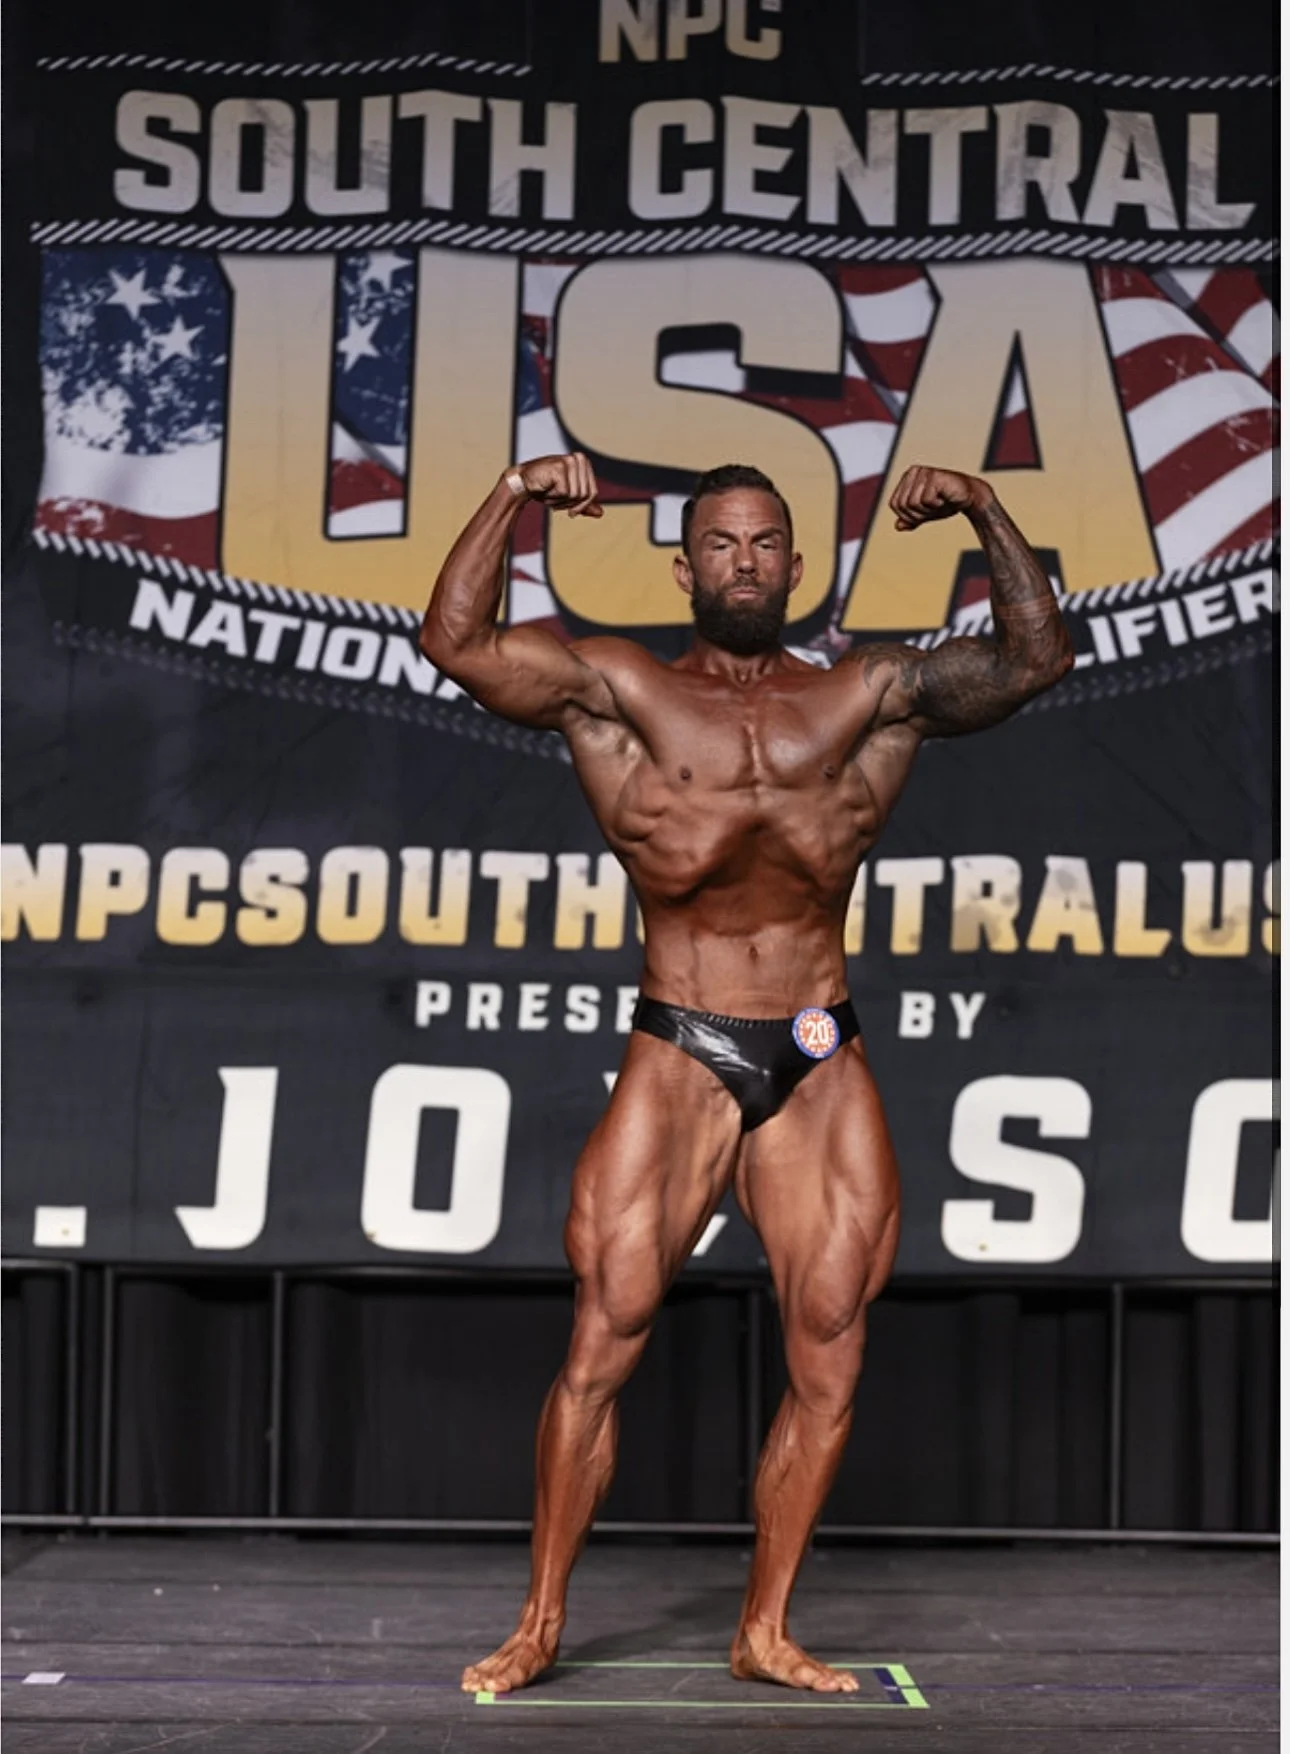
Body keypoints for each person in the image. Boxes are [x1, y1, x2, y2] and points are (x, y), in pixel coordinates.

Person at [420, 454, 1074, 1695]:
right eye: (721, 543)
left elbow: (1035, 658)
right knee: (605, 1333)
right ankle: (541, 1620)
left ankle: (763, 1626)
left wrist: (987, 509)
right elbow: (456, 641)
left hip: (814, 1042)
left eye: (766, 543)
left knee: (831, 1342)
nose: (744, 562)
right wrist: (511, 492)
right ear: (685, 566)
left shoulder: (867, 696)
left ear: (795, 563)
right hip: (684, 1036)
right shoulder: (621, 690)